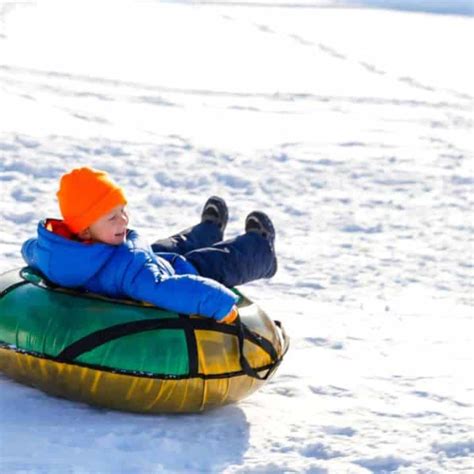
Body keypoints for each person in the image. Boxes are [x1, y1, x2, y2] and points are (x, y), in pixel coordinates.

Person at [21, 167, 277, 324]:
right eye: (112, 217)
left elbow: (31, 249)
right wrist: (219, 305)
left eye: (122, 210)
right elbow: (165, 288)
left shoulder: (55, 253)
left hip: (140, 257)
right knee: (213, 260)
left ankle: (209, 229)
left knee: (168, 245)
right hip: (173, 271)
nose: (124, 219)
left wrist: (28, 248)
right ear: (85, 228)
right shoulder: (132, 272)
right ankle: (262, 251)